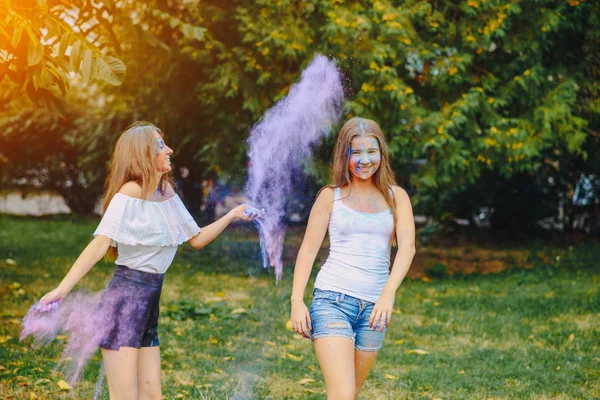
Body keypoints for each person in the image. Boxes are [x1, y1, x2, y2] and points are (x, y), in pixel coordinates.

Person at [36, 122, 258, 400]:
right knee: (124, 396)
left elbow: (197, 239)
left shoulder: (167, 194)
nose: (170, 150)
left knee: (152, 395)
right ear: (143, 154)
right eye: (161, 146)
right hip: (124, 303)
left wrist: (233, 213)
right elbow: (99, 244)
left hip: (149, 302)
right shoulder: (129, 193)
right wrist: (61, 290)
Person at [290, 117, 416, 399]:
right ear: (343, 155)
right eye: (355, 152)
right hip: (332, 301)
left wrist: (388, 294)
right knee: (343, 394)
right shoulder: (330, 197)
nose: (364, 160)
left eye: (371, 151)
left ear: (381, 154)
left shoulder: (398, 197)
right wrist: (297, 301)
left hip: (375, 310)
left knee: (353, 392)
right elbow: (308, 250)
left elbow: (407, 247)